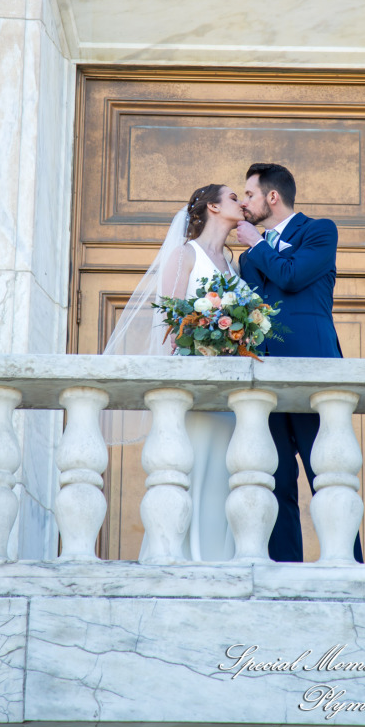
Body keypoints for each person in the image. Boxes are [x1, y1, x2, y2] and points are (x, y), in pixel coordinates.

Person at [104, 182, 244, 561]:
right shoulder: (184, 255)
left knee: (224, 480)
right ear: (213, 208)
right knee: (192, 472)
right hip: (196, 393)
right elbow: (170, 326)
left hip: (229, 397)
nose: (242, 202)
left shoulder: (234, 263)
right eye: (234, 197)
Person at [237, 162, 363, 564]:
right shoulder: (249, 257)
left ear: (272, 197)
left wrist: (258, 244)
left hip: (317, 373)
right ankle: (282, 570)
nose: (244, 203)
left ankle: (348, 565)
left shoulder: (320, 230)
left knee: (328, 474)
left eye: (250, 195)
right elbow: (256, 309)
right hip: (267, 377)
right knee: (275, 482)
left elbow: (292, 277)